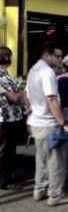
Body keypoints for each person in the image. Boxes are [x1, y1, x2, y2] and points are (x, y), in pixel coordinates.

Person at [26, 41, 68, 206]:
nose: (60, 59)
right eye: (57, 56)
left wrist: (31, 106)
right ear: (47, 55)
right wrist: (63, 124)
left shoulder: (34, 70)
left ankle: (39, 189)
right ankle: (55, 195)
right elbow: (51, 99)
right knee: (56, 161)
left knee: (41, 159)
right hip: (48, 124)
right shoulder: (47, 72)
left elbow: (27, 94)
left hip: (36, 122)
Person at [0, 46, 25, 190]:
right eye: (10, 56)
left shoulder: (6, 74)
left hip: (11, 117)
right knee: (6, 152)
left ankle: (7, 178)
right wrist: (22, 87)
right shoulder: (1, 76)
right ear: (6, 57)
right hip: (6, 118)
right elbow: (15, 98)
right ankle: (4, 181)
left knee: (9, 151)